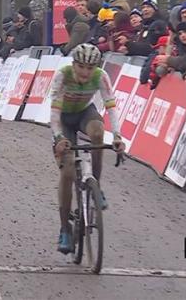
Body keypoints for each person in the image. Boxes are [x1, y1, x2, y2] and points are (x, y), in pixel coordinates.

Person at [49, 43, 125, 254]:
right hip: (63, 119)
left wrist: (117, 136)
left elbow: (111, 107)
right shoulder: (62, 76)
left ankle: (96, 186)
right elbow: (54, 113)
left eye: (90, 68)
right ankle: (65, 228)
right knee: (68, 171)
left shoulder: (101, 77)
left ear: (96, 67)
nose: (85, 72)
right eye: (80, 67)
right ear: (73, 64)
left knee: (98, 133)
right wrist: (59, 138)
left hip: (84, 113)